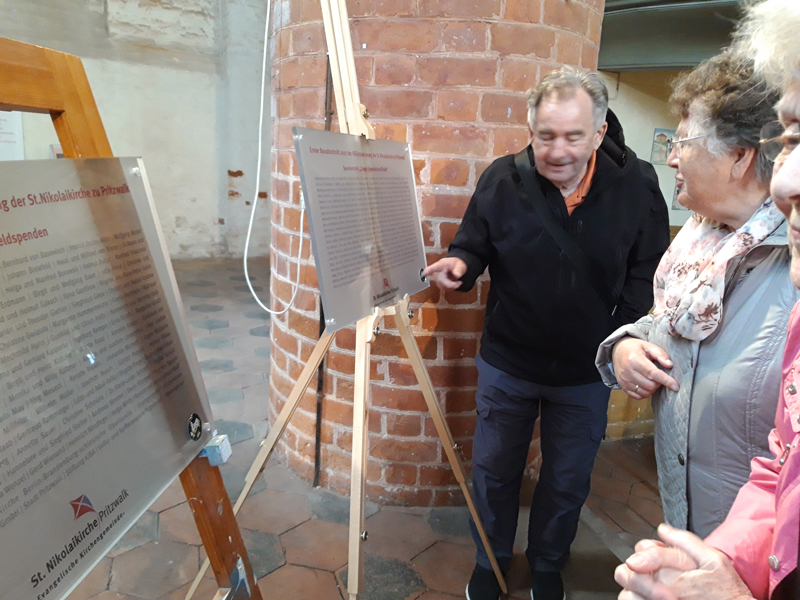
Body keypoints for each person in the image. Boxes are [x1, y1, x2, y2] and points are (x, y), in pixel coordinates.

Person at [422, 66, 670, 600]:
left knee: (567, 477)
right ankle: (490, 561)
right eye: (545, 136)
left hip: (587, 369)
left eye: (573, 137)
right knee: (494, 471)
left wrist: (619, 333)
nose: (557, 151)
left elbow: (647, 267)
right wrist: (461, 266)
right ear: (530, 131)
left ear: (599, 133)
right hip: (509, 361)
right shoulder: (503, 178)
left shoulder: (638, 183)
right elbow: (472, 244)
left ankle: (548, 563)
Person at [614, 1, 800, 598]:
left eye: (683, 141)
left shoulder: (791, 267)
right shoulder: (696, 241)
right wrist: (625, 347)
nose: (670, 155)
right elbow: (663, 324)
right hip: (706, 533)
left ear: (741, 157)